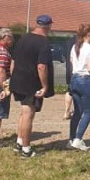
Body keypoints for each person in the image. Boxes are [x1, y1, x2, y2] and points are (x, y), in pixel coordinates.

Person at [9, 14, 55, 158]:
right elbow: (41, 66)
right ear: (48, 26)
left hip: (18, 81)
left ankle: (19, 142)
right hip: (31, 83)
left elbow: (13, 61)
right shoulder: (43, 43)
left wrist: (14, 77)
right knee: (28, 115)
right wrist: (44, 86)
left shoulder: (23, 38)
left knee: (23, 113)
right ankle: (26, 149)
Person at [68, 24, 90, 151]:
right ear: (89, 35)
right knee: (89, 111)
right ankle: (78, 139)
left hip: (74, 79)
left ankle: (71, 139)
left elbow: (72, 63)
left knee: (77, 111)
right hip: (85, 80)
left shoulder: (74, 47)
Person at [63, 34, 77, 119]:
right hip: (78, 71)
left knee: (70, 91)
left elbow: (65, 55)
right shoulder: (84, 43)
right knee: (84, 92)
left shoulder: (68, 42)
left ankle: (66, 112)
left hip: (69, 69)